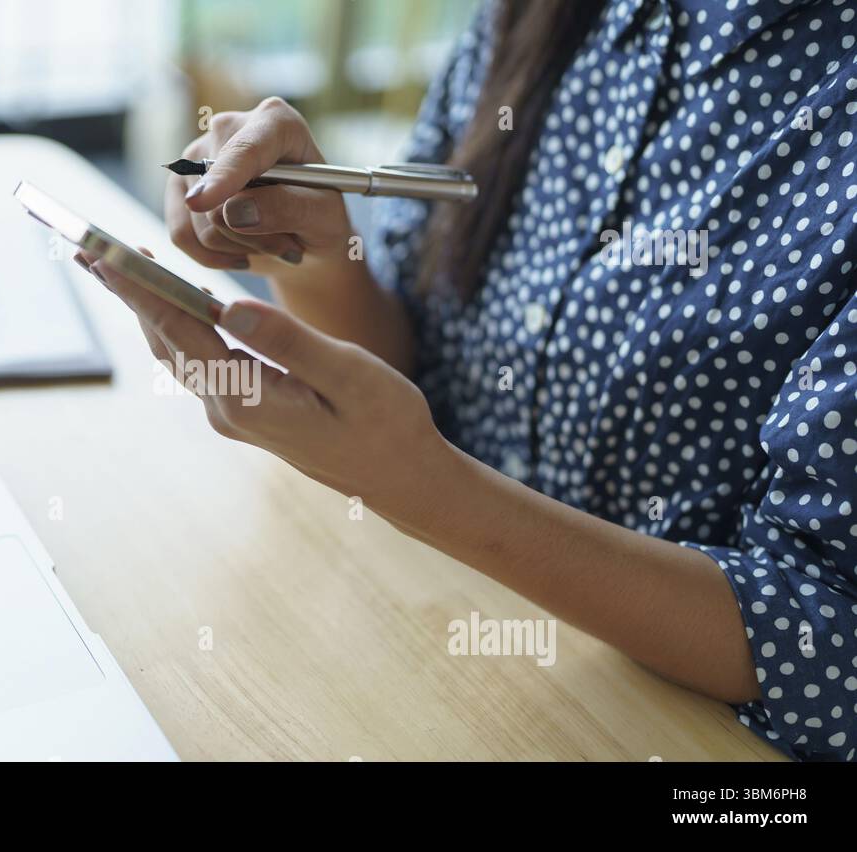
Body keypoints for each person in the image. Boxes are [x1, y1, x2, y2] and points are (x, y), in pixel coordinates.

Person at [76, 0, 857, 761]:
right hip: (424, 630)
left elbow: (829, 644)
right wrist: (304, 246)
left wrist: (420, 487)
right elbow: (417, 350)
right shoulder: (538, 18)